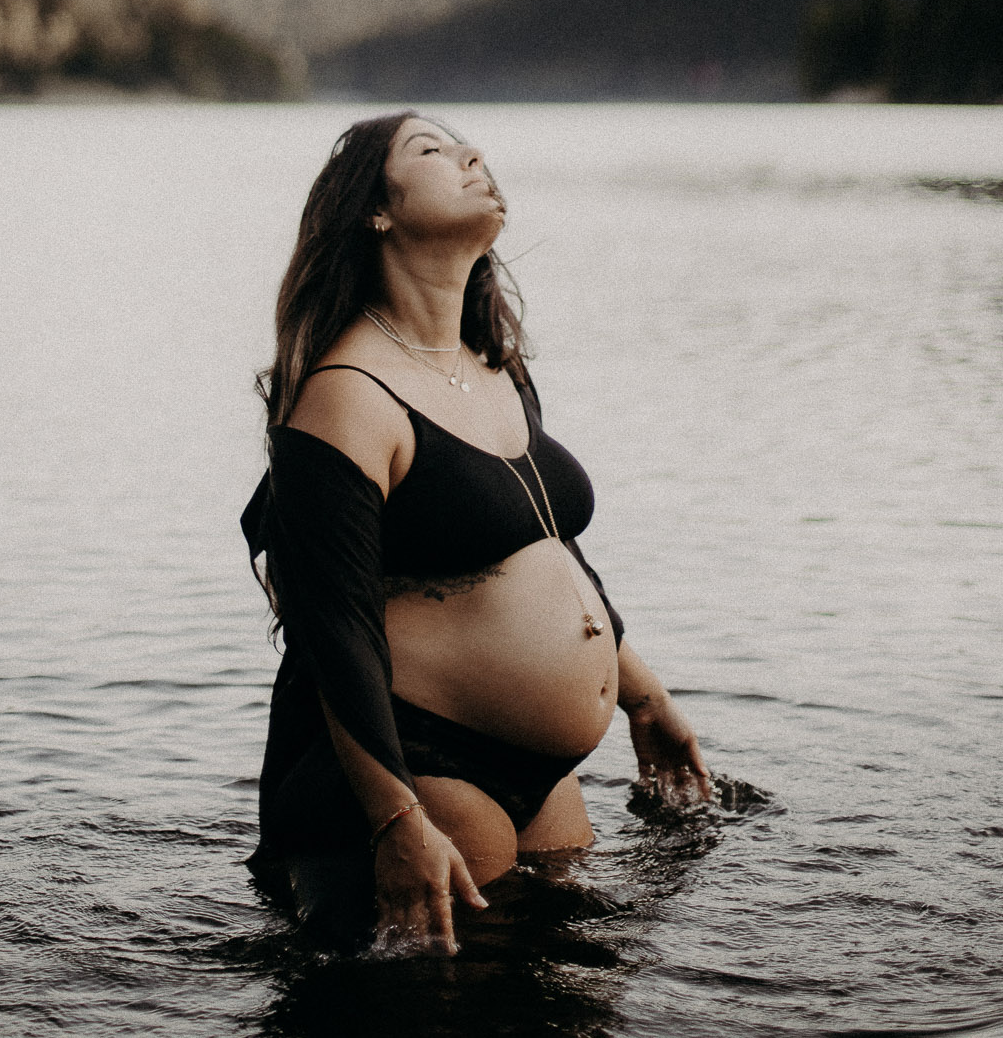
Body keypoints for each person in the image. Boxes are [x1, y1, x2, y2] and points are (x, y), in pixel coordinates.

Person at [242, 112, 710, 954]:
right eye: (429, 150)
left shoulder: (491, 364)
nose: (471, 154)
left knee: (568, 1037)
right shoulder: (346, 393)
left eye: (466, 144)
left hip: (539, 775)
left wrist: (642, 694)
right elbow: (332, 626)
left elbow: (548, 544)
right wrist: (396, 817)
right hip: (424, 764)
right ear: (373, 212)